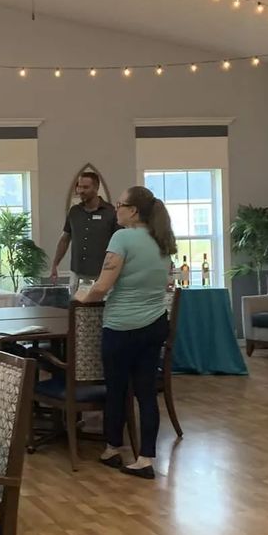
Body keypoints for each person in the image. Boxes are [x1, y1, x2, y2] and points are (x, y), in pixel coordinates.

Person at [82, 185, 176, 479]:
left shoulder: (122, 237)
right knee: (146, 394)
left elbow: (102, 286)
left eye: (120, 204)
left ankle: (112, 449)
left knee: (117, 391)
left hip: (122, 326)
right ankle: (146, 458)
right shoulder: (160, 239)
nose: (115, 209)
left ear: (133, 211)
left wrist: (80, 298)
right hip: (154, 324)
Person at [51, 170, 118, 293]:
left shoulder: (111, 212)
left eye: (86, 187)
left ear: (96, 188)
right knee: (77, 309)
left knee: (101, 310)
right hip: (77, 274)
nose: (81, 190)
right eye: (79, 187)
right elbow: (65, 239)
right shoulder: (74, 212)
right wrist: (55, 264)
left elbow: (119, 245)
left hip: (102, 275)